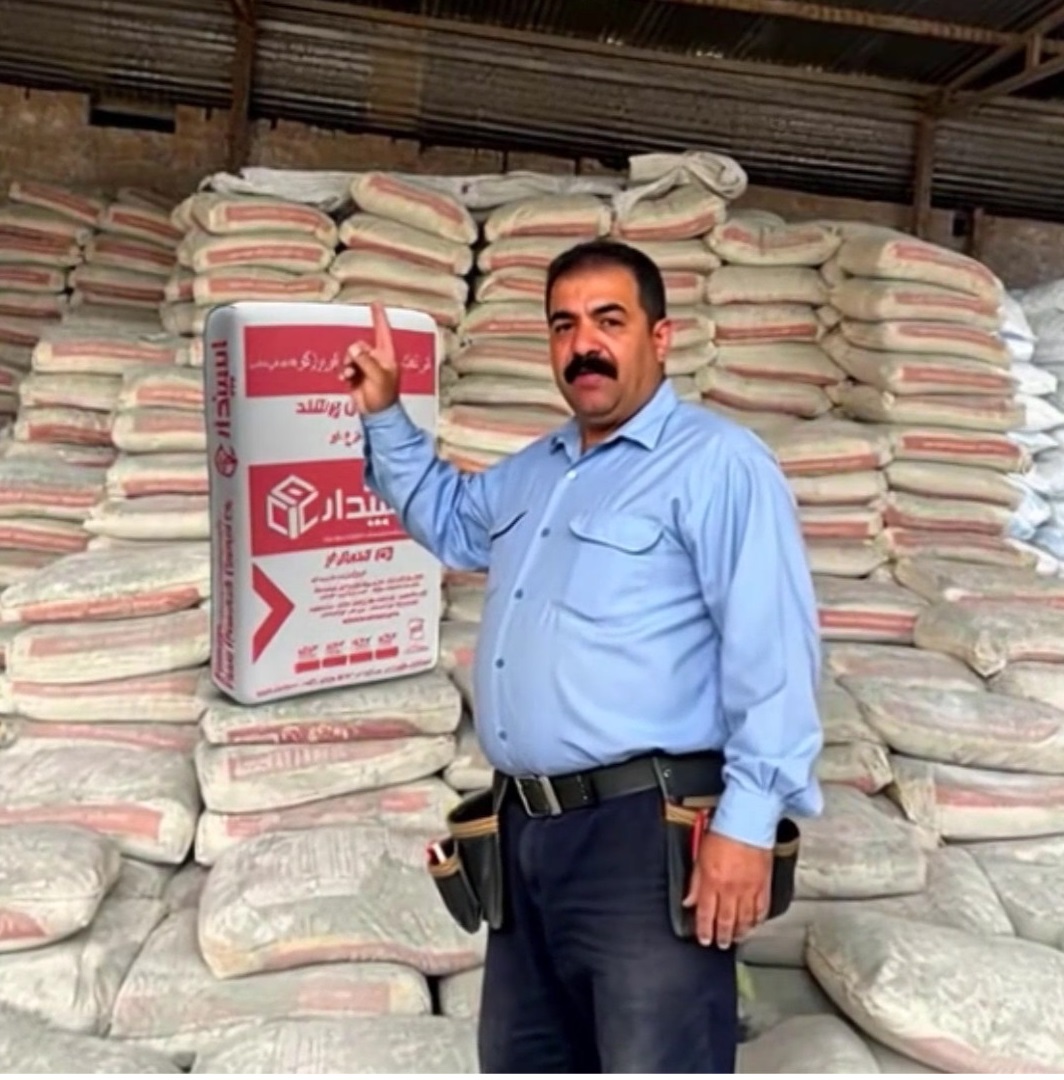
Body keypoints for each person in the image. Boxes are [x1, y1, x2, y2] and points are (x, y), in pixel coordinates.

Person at [343, 239, 823, 1074]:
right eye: (563, 325)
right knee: (525, 1058)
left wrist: (746, 825)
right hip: (525, 830)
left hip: (643, 835)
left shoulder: (718, 464)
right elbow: (452, 522)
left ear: (660, 337)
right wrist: (385, 415)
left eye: (609, 320)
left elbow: (773, 649)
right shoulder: (541, 470)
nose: (583, 345)